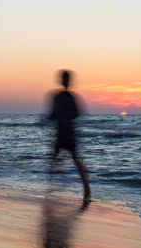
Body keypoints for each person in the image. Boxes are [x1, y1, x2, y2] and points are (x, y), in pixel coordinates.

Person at [48, 70, 91, 206]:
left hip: (64, 132)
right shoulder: (68, 96)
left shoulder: (60, 97)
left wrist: (57, 117)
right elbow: (76, 114)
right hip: (67, 132)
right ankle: (86, 190)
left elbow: (55, 114)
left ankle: (55, 186)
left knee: (60, 159)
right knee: (72, 160)